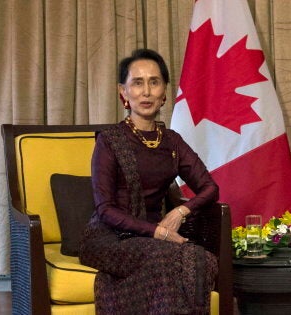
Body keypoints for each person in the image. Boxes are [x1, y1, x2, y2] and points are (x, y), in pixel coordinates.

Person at [79, 48, 219, 315]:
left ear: (164, 91)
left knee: (202, 259)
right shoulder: (109, 141)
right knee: (168, 260)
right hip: (108, 238)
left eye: (154, 82)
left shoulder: (172, 141)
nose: (146, 92)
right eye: (137, 82)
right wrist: (159, 232)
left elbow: (210, 188)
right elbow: (105, 209)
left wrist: (181, 210)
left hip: (153, 238)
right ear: (123, 92)